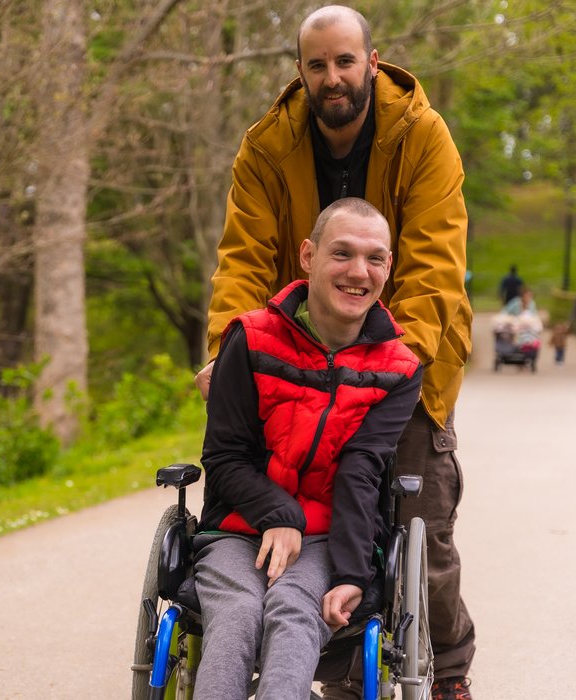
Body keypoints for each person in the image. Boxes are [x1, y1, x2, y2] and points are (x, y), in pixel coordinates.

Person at [193, 6, 476, 698]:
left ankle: (449, 674)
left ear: (371, 64)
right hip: (293, 350)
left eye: (345, 61)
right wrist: (229, 345)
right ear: (300, 73)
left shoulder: (421, 136)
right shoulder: (266, 148)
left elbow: (433, 269)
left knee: (419, 523)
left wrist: (379, 367)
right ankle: (332, 660)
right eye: (317, 65)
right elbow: (242, 259)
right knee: (275, 482)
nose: (332, 77)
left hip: (400, 354)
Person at [195, 198, 422, 699]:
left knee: (296, 610)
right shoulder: (251, 338)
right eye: (341, 254)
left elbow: (361, 471)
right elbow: (224, 456)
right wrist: (279, 514)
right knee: (236, 613)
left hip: (328, 538)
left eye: (375, 258)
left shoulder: (400, 369)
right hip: (237, 531)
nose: (358, 272)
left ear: (389, 266)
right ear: (307, 256)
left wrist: (351, 574)